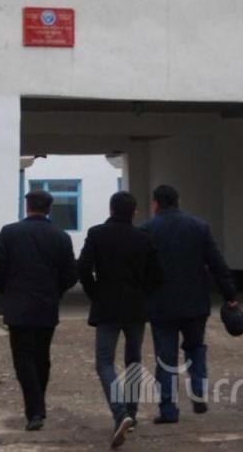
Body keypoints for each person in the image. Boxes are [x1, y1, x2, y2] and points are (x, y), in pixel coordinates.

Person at [138, 185, 238, 425]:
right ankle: (198, 392)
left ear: (155, 204)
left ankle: (168, 410)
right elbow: (216, 263)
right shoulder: (198, 227)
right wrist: (230, 294)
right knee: (195, 348)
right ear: (178, 201)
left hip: (161, 305)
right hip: (195, 303)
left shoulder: (146, 230)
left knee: (165, 358)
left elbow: (140, 269)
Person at [0, 189, 79, 432]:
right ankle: (39, 404)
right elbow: (71, 274)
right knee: (42, 356)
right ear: (49, 209)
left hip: (18, 306)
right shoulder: (61, 237)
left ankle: (35, 410)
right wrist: (55, 291)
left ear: (27, 206)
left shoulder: (10, 233)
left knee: (23, 358)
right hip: (46, 306)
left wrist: (7, 289)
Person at [78, 192, 160, 449]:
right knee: (133, 360)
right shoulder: (144, 238)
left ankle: (119, 412)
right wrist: (143, 294)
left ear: (111, 209)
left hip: (107, 306)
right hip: (136, 308)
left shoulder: (97, 234)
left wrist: (95, 293)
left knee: (104, 362)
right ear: (134, 212)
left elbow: (83, 268)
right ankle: (131, 415)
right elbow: (156, 274)